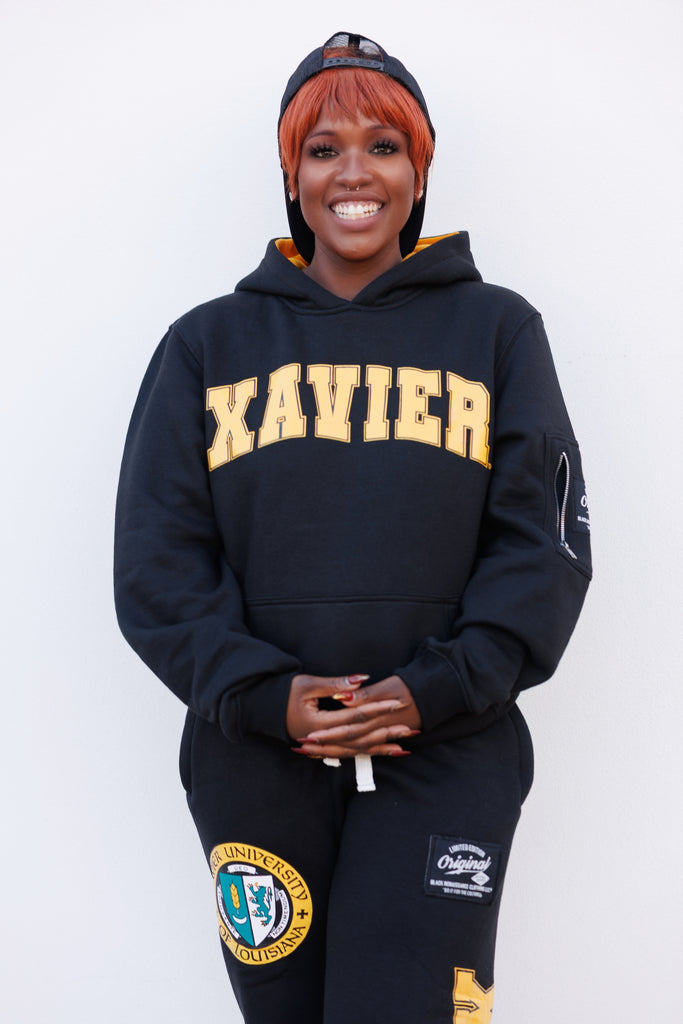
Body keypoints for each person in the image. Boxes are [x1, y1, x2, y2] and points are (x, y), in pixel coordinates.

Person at [114, 31, 592, 1024]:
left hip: (448, 753)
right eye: (322, 149)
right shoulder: (206, 344)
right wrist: (264, 694)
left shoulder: (497, 331)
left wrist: (435, 688)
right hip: (253, 761)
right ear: (291, 176)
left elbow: (540, 545)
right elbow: (157, 563)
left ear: (419, 171)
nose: (354, 173)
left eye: (384, 146)